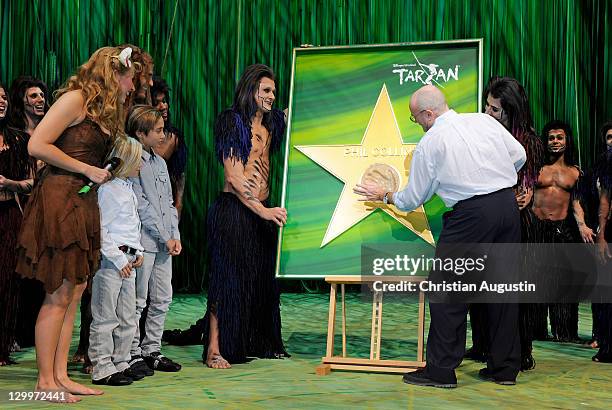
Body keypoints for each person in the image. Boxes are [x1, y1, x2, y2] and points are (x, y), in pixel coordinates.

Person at [355, 84, 526, 387]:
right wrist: (495, 180)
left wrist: (384, 195)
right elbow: (520, 155)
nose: (417, 123)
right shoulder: (483, 120)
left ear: (429, 114)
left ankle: (441, 369)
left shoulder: (431, 143)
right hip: (507, 208)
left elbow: (411, 199)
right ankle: (505, 369)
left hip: (471, 216)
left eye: (415, 118)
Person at [15, 46, 135, 403]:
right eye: (130, 78)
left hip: (83, 202)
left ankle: (60, 375)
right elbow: (37, 145)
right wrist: (85, 169)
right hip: (59, 199)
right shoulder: (74, 99)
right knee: (57, 294)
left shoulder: (102, 111)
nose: (132, 87)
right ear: (114, 73)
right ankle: (43, 382)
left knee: (74, 292)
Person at [164, 64, 289, 368]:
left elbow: (297, 105)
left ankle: (260, 341)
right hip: (234, 212)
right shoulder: (233, 122)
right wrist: (263, 210)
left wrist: (314, 65)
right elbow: (234, 178)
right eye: (266, 90)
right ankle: (214, 350)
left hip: (263, 215)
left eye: (274, 90)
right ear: (251, 90)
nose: (272, 96)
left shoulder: (271, 124)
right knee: (227, 282)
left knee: (261, 283)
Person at [467, 76, 546, 371]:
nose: (488, 113)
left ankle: (520, 350)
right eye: (486, 106)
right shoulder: (482, 134)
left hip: (519, 226)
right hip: (489, 222)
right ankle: (484, 345)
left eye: (495, 109)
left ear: (512, 111)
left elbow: (523, 192)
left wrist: (522, 195)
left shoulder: (529, 142)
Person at [126, 105, 182, 375]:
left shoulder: (160, 162)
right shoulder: (133, 162)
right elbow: (143, 206)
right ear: (140, 133)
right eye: (158, 131)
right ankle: (132, 351)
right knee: (138, 300)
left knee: (162, 298)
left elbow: (169, 204)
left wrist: (175, 235)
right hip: (144, 243)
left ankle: (152, 349)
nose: (163, 135)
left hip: (164, 244)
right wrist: (163, 235)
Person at [89, 137, 146, 386]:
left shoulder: (127, 187)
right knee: (105, 315)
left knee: (127, 315)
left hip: (129, 260)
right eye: (138, 160)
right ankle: (101, 364)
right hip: (113, 262)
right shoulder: (108, 189)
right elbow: (101, 228)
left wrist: (139, 251)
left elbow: (133, 226)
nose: (141, 164)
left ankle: (121, 360)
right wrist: (116, 257)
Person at [529, 120, 593, 342]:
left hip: (562, 230)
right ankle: (535, 330)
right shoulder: (536, 169)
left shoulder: (575, 172)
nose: (555, 142)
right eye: (551, 138)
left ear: (567, 141)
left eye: (559, 138)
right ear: (545, 142)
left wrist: (582, 225)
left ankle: (565, 332)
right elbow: (526, 196)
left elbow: (576, 202)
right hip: (536, 229)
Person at [8, 76, 48, 349]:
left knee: (41, 272)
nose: (40, 100)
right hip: (21, 209)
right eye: (34, 96)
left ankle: (36, 332)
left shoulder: (50, 133)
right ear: (21, 101)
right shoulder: (14, 136)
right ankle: (15, 332)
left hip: (47, 208)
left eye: (42, 95)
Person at [0, 81, 35, 366]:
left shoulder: (19, 140)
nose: (1, 102)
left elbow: (33, 181)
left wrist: (12, 184)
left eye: (2, 97)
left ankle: (3, 344)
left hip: (10, 214)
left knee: (8, 280)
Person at [151, 77, 187, 219]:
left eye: (164, 101)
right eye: (156, 103)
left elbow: (179, 175)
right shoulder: (137, 139)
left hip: (166, 206)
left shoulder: (174, 138)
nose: (163, 106)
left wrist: (178, 206)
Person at [592, 120, 612, 362]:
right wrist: (602, 236)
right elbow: (604, 204)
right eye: (609, 137)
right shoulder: (605, 169)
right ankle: (607, 347)